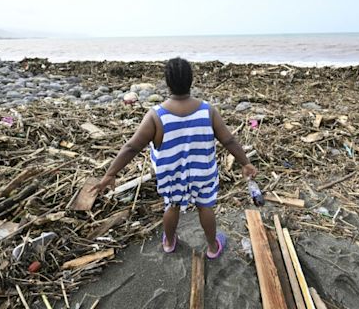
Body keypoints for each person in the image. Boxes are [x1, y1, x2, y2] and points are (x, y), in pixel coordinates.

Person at [90, 57, 257, 258]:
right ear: (191, 80)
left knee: (172, 206)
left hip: (172, 175)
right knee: (205, 207)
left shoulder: (156, 116)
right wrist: (245, 163)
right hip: (202, 172)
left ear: (167, 83)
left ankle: (169, 242)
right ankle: (212, 246)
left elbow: (132, 146)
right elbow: (229, 140)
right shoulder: (207, 111)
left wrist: (110, 173)